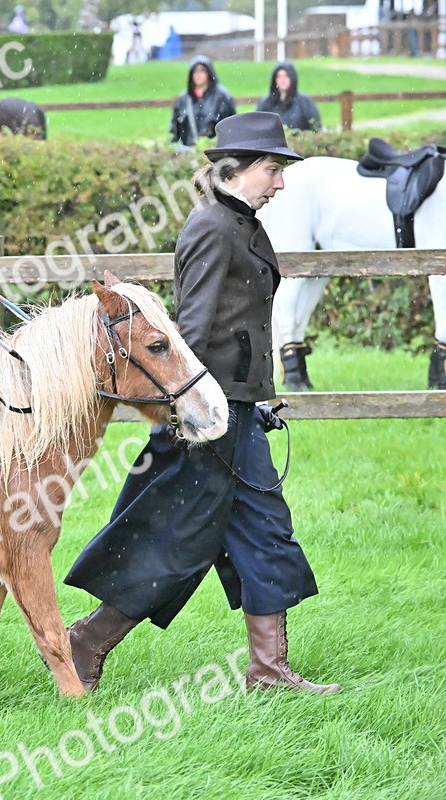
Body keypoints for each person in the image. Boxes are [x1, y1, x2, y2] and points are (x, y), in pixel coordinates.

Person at [64, 112, 341, 695]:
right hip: (208, 418)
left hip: (234, 411)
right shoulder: (214, 227)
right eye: (272, 170)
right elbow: (190, 331)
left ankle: (267, 671)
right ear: (235, 170)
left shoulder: (236, 221)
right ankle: (86, 640)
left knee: (263, 532)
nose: (280, 183)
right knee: (174, 536)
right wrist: (204, 409)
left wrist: (250, 401)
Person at [170, 55, 236, 148]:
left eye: (202, 70)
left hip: (216, 150)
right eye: (195, 71)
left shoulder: (222, 97)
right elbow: (175, 130)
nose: (198, 74)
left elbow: (232, 126)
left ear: (209, 72)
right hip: (189, 151)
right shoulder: (183, 99)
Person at [257, 61, 321, 132]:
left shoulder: (305, 102)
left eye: (286, 76)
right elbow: (258, 128)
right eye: (279, 76)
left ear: (292, 78)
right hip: (273, 139)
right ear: (274, 79)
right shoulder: (266, 103)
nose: (282, 80)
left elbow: (315, 128)